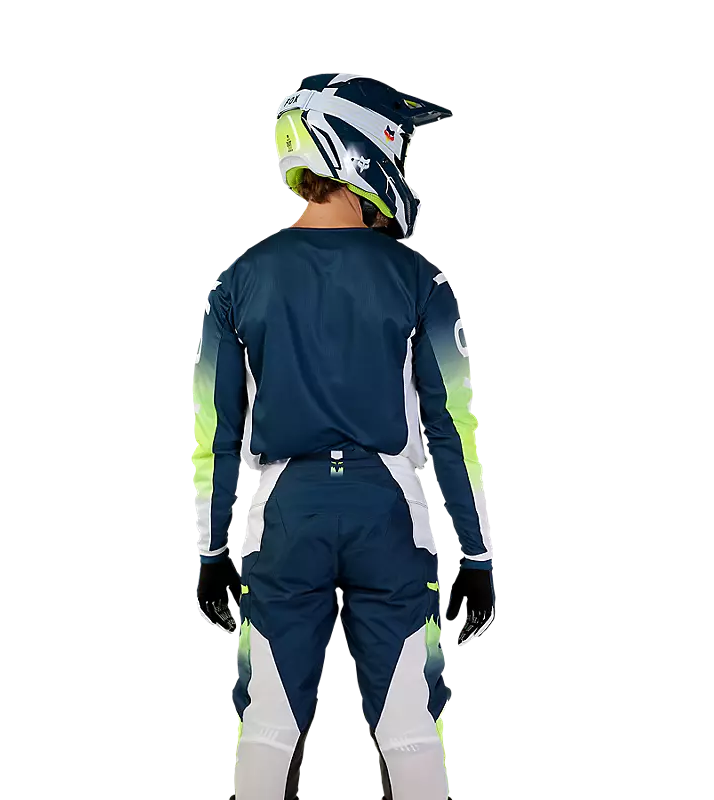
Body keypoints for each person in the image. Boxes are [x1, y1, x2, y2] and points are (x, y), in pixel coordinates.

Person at [192, 72, 495, 800]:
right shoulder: (421, 279)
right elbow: (453, 427)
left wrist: (210, 550)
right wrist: (478, 552)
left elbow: (215, 432)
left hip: (283, 511)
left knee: (268, 726)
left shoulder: (238, 281)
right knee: (410, 727)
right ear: (366, 148)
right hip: (389, 509)